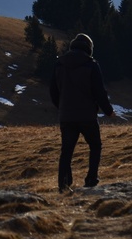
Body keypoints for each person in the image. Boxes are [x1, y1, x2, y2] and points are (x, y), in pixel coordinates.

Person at [49, 33, 116, 192]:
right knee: (95, 146)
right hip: (87, 116)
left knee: (66, 151)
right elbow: (99, 92)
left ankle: (64, 185)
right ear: (89, 48)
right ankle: (91, 179)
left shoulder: (59, 64)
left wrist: (62, 107)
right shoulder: (91, 65)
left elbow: (53, 91)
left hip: (66, 116)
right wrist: (109, 111)